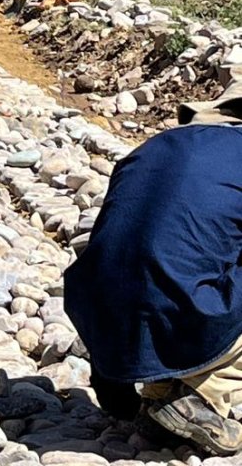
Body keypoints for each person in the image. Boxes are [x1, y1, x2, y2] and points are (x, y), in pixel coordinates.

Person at [64, 80, 242, 456]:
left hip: (97, 316)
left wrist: (108, 369)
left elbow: (119, 244)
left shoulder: (154, 148)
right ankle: (202, 396)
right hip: (166, 313)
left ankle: (160, 393)